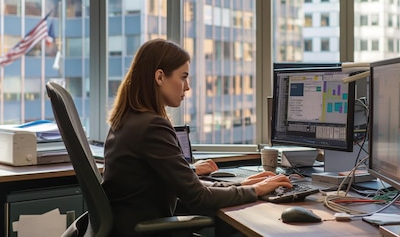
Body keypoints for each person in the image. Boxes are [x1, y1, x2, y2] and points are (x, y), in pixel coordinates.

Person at [103, 38, 292, 236]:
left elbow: (188, 186)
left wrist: (242, 184)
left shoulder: (128, 119)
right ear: (160, 77)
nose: (187, 87)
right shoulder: (151, 126)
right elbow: (198, 197)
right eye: (183, 77)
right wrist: (257, 190)